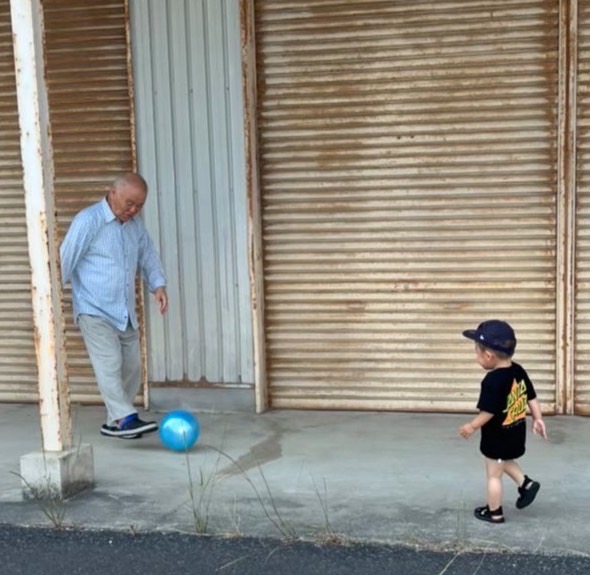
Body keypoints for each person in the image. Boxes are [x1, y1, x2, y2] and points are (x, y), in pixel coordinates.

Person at [60, 173, 168, 439]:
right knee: (109, 362)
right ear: (112, 193)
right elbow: (64, 259)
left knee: (131, 367)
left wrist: (158, 285)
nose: (133, 210)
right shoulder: (88, 221)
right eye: (129, 203)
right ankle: (124, 417)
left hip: (124, 311)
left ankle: (114, 422)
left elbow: (148, 255)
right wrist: (47, 301)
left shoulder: (135, 226)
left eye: (139, 205)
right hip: (93, 309)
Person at [459, 319, 547, 524]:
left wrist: (471, 426)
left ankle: (494, 512)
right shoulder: (518, 370)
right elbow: (531, 397)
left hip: (497, 437)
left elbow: (488, 412)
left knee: (493, 475)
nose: (476, 357)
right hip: (515, 432)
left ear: (488, 356)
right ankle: (525, 484)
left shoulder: (492, 381)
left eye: (477, 352)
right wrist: (538, 418)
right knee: (504, 461)